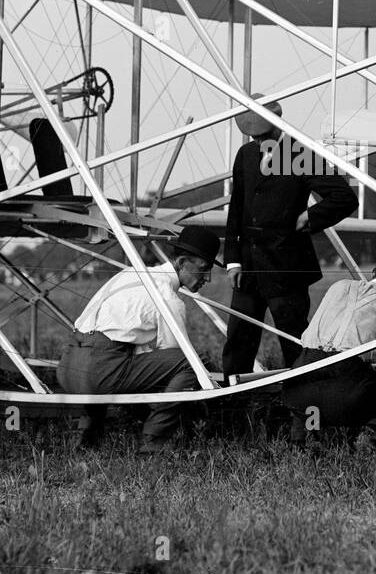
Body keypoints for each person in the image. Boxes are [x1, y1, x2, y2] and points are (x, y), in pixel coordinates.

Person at [221, 96, 358, 380]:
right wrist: (233, 261)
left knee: (294, 339)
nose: (258, 142)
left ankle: (303, 395)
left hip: (285, 266)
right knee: (239, 340)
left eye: (262, 136)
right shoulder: (245, 156)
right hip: (247, 268)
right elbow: (236, 210)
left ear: (276, 126)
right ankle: (232, 402)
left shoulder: (299, 154)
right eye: (253, 136)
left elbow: (344, 197)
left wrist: (310, 217)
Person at [57, 226, 219, 453]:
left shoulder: (131, 273)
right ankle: (155, 440)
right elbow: (176, 359)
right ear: (182, 262)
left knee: (120, 359)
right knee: (193, 362)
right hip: (99, 372)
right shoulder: (169, 298)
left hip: (67, 367)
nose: (207, 279)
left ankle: (86, 436)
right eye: (203, 270)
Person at [283, 248, 376, 450]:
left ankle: (302, 442)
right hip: (345, 393)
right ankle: (373, 435)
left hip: (297, 386)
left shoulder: (338, 287)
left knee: (311, 387)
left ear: (374, 273)